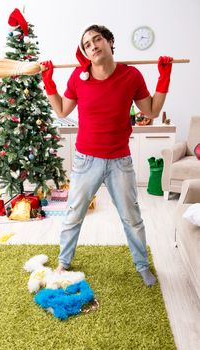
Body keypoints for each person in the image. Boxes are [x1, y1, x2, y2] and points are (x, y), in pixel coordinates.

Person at [40, 24, 173, 287]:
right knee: (73, 214)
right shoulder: (78, 77)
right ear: (86, 54)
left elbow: (152, 110)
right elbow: (63, 111)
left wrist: (163, 77)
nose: (92, 45)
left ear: (110, 42)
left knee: (131, 217)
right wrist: (49, 83)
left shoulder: (131, 75)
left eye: (97, 39)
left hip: (119, 161)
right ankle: (64, 262)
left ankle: (142, 265)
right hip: (85, 160)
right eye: (87, 44)